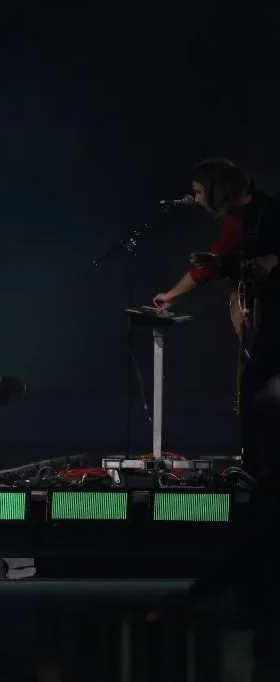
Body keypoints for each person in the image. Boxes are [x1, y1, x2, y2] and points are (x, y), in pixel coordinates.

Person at [152, 159, 280, 478]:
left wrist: (269, 261)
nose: (196, 200)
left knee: (255, 384)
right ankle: (258, 466)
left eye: (198, 193)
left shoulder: (268, 212)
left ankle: (257, 469)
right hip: (275, 308)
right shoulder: (238, 220)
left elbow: (228, 265)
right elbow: (220, 265)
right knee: (257, 385)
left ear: (217, 191)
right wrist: (233, 298)